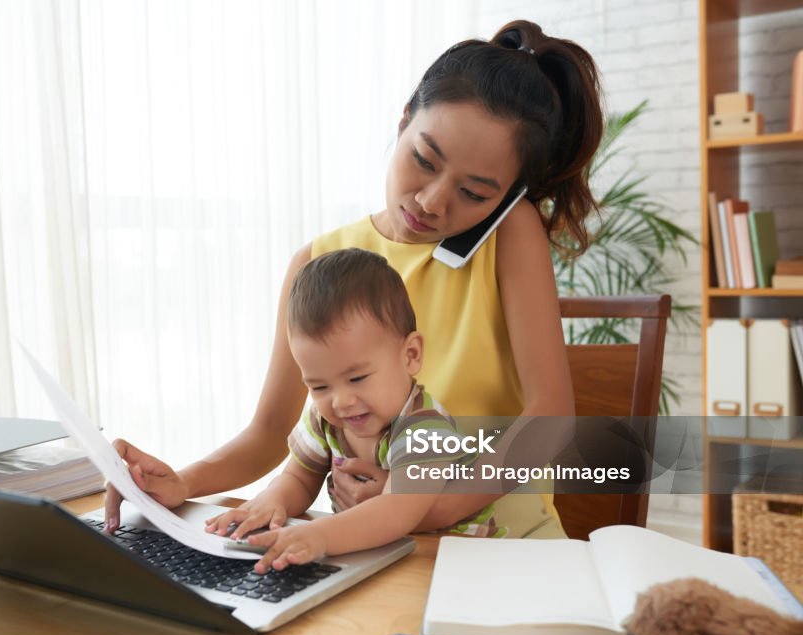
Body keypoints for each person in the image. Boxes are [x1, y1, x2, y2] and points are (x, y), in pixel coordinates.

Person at [106, 19, 603, 545]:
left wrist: (422, 508)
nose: (432, 201)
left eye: (475, 193)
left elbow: (549, 415)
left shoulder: (511, 234)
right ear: (403, 124)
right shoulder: (316, 262)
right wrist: (181, 482)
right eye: (423, 160)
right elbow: (270, 436)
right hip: (375, 544)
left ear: (506, 195)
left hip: (501, 548)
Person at [218, 248, 501, 572]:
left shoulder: (425, 428)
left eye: (357, 378)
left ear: (410, 355)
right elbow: (300, 477)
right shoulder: (324, 420)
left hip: (455, 563)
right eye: (319, 386)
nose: (340, 401)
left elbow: (396, 511)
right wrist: (272, 503)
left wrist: (319, 536)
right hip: (381, 553)